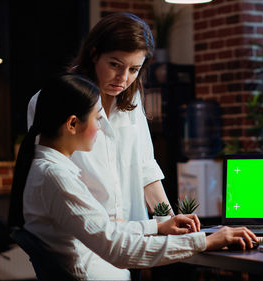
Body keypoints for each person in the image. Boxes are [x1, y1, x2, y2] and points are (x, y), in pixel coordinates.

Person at [9, 74, 257, 280]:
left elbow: (104, 229)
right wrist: (206, 242)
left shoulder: (49, 169)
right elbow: (118, 249)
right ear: (72, 124)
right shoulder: (56, 177)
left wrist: (157, 226)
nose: (102, 127)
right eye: (97, 118)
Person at [27, 12, 175, 223]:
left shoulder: (131, 99)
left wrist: (168, 220)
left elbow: (146, 169)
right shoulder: (50, 100)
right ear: (94, 54)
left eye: (134, 69)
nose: (123, 79)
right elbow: (51, 177)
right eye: (115, 64)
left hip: (132, 236)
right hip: (83, 238)